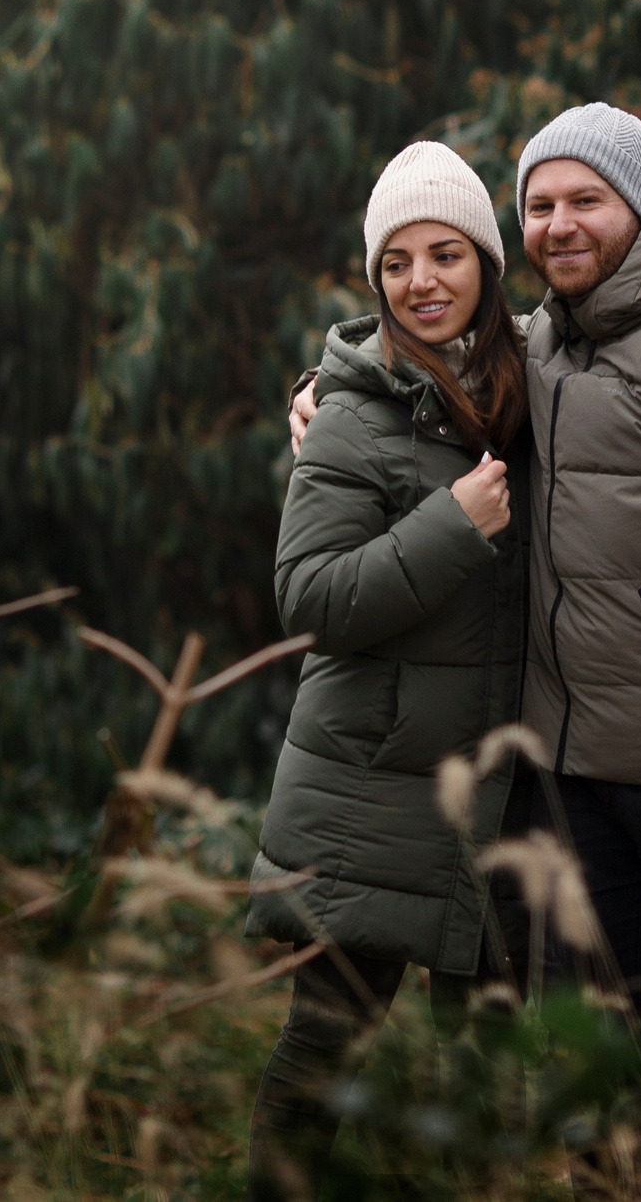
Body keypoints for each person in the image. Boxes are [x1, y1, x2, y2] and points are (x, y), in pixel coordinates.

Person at [291, 103, 641, 1197]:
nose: (559, 224)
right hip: (577, 777)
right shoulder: (543, 344)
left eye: (584, 199)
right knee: (591, 1057)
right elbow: (411, 385)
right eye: (538, 205)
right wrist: (318, 399)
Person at [244, 140, 535, 1202]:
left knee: (482, 1084)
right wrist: (450, 528)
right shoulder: (349, 416)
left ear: (485, 264)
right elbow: (310, 598)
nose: (422, 281)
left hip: (502, 798)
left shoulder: (532, 386)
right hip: (371, 786)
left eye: (445, 253)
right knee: (321, 1058)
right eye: (397, 261)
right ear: (374, 281)